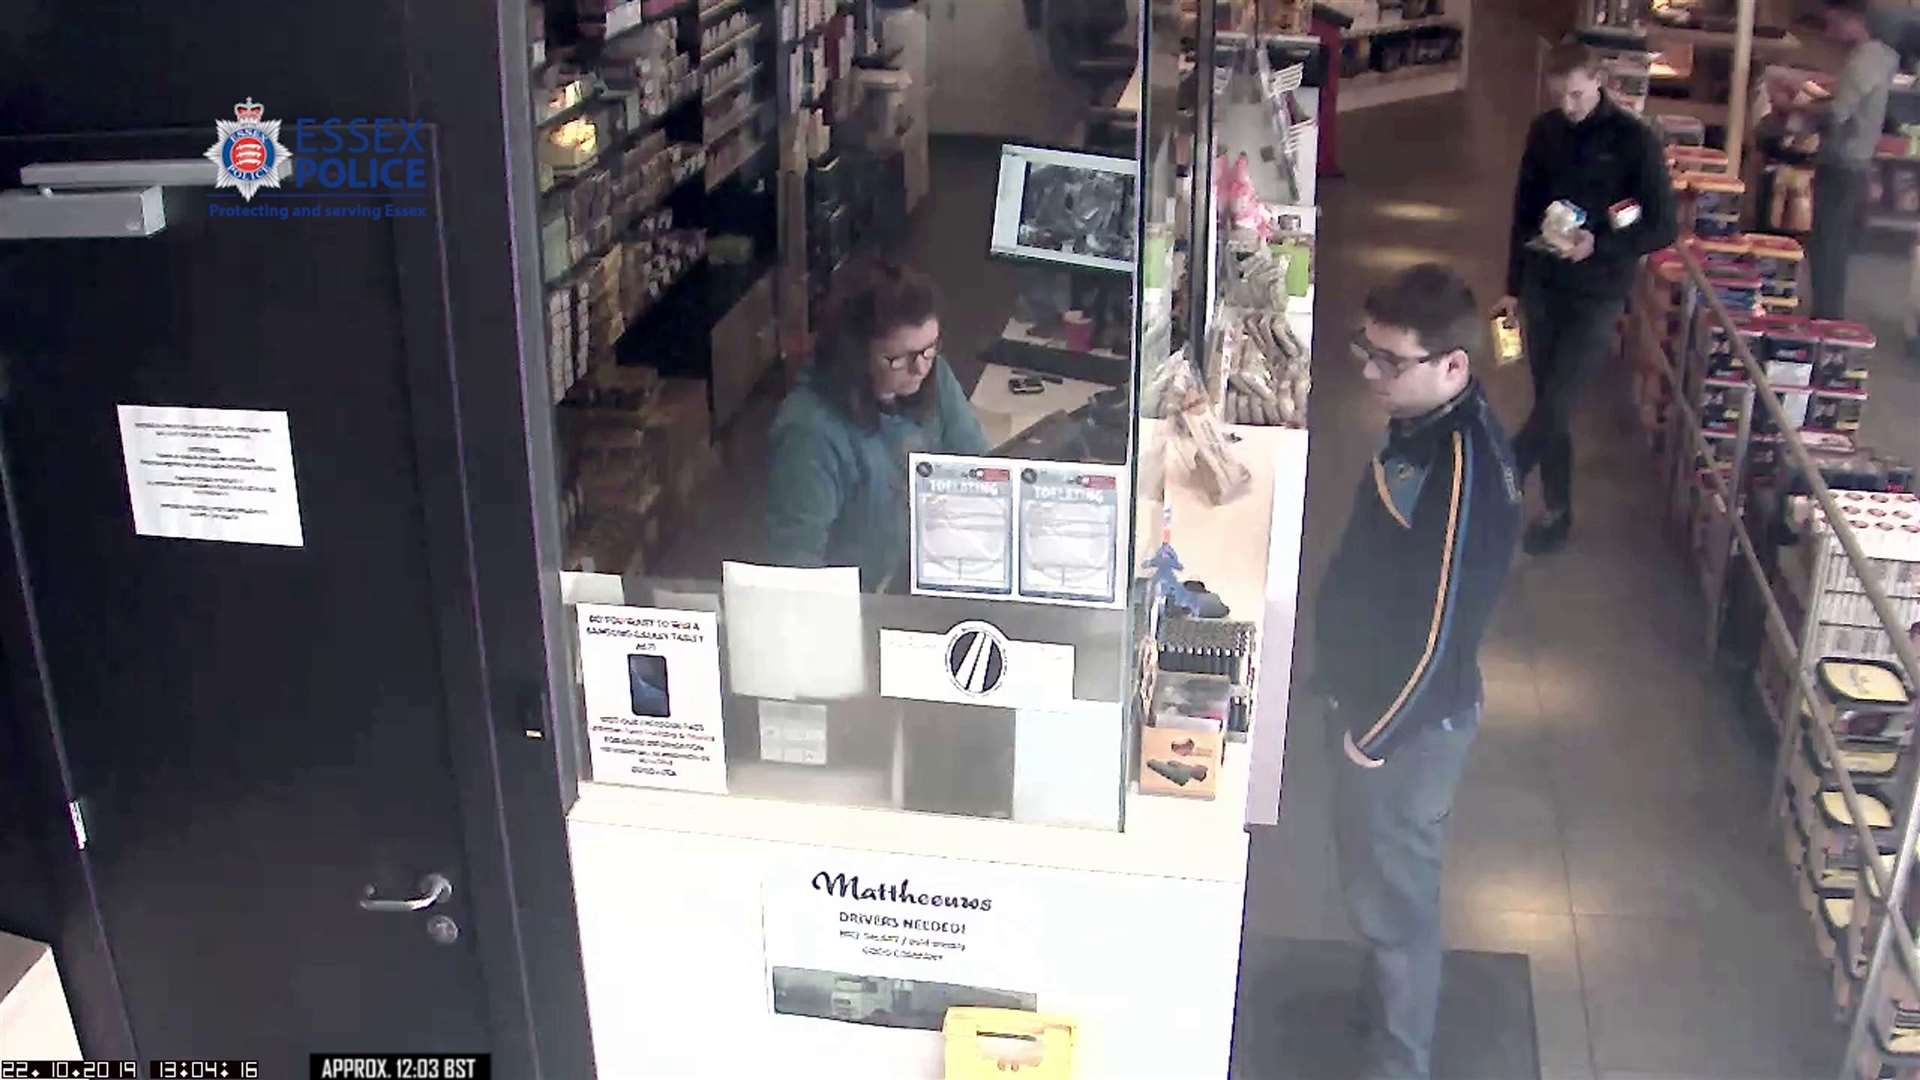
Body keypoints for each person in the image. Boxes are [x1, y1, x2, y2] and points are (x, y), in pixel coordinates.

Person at [1315, 264, 1522, 1080]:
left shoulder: (1463, 469)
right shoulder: (1426, 427)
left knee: (1400, 909)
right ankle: (1379, 1019)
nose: (1370, 373)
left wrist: (1376, 736)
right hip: (1375, 709)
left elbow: (1443, 631)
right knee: (1377, 884)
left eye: (1389, 361)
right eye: (1367, 352)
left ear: (1453, 367)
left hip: (1408, 728)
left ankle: (1400, 1064)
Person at [1500, 42, 1678, 555]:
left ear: (1600, 81)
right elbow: (1522, 212)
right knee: (1549, 403)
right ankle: (1557, 510)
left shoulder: (1634, 141)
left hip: (1599, 291)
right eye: (1561, 97)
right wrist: (1512, 287)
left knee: (1559, 401)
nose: (1569, 107)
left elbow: (1662, 225)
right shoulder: (1545, 132)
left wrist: (1602, 244)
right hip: (1544, 287)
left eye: (1577, 95)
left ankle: (1497, 479)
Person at [767, 258, 988, 590]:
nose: (920, 369)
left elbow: (974, 466)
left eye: (930, 350)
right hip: (862, 601)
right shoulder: (809, 435)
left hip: (931, 570)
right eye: (897, 359)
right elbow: (797, 568)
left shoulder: (932, 374)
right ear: (854, 354)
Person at [1790, 0, 1900, 319]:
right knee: (1834, 244)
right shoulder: (1880, 57)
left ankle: (1825, 317)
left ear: (1854, 20)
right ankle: (1827, 314)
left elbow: (1838, 113)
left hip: (1842, 160)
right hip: (1858, 160)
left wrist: (1796, 108)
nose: (1829, 31)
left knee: (1827, 245)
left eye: (1834, 23)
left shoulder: (1862, 62)